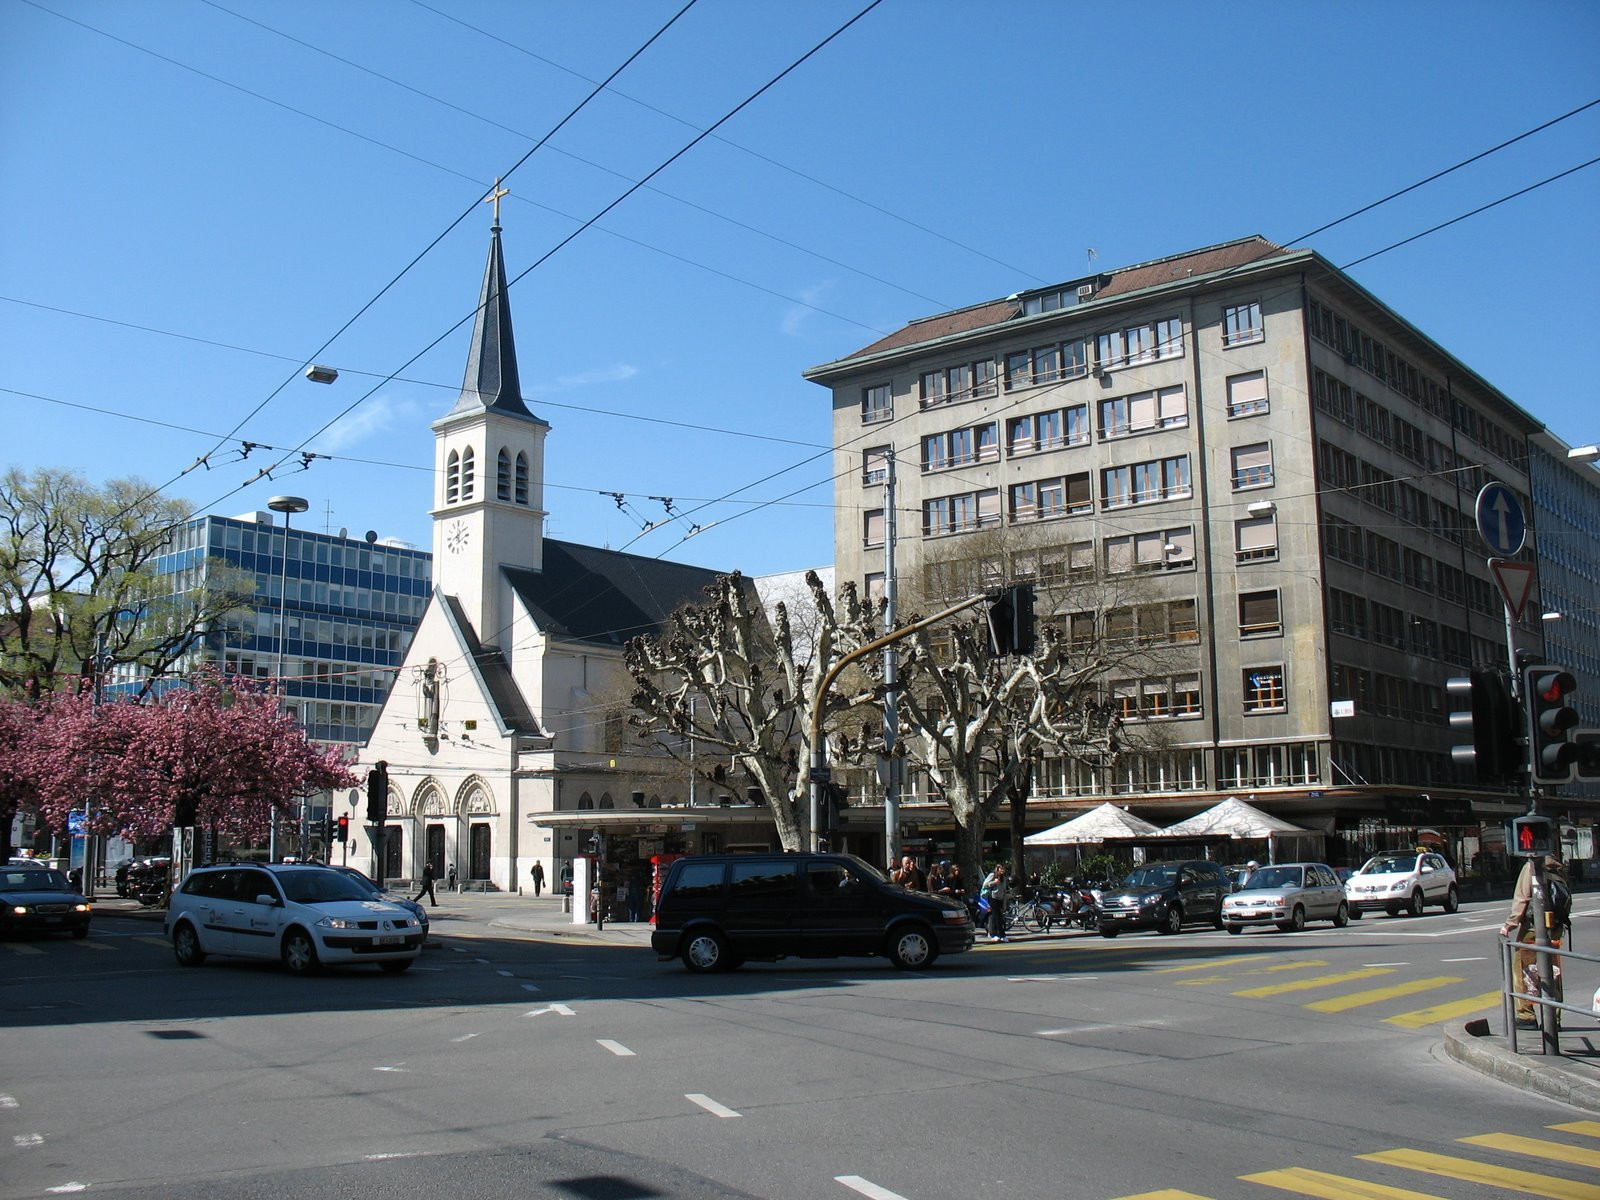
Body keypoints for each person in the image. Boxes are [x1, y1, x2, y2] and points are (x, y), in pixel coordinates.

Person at [1500, 850, 1569, 1029]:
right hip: (1555, 928)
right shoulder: (1557, 866)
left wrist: (1509, 925)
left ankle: (1526, 1016)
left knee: (1522, 970)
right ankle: (1554, 1018)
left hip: (1533, 928)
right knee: (1553, 971)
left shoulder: (1530, 866)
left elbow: (1522, 898)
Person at [981, 864, 1010, 942]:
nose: (1002, 871)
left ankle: (995, 934)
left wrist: (1004, 902)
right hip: (993, 897)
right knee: (997, 917)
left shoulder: (1004, 878)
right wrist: (994, 882)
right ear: (997, 869)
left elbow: (1004, 890)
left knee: (995, 917)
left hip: (1000, 898)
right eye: (1001, 869)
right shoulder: (992, 875)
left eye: (1003, 869)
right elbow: (985, 884)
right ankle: (1000, 934)